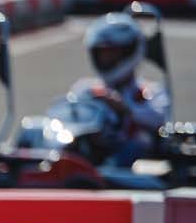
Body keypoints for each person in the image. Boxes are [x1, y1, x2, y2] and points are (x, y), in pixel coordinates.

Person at [69, 12, 171, 167]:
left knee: (136, 143)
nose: (105, 59)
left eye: (111, 53)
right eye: (101, 53)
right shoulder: (85, 89)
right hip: (90, 158)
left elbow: (159, 119)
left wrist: (125, 108)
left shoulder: (149, 92)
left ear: (129, 51)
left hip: (135, 166)